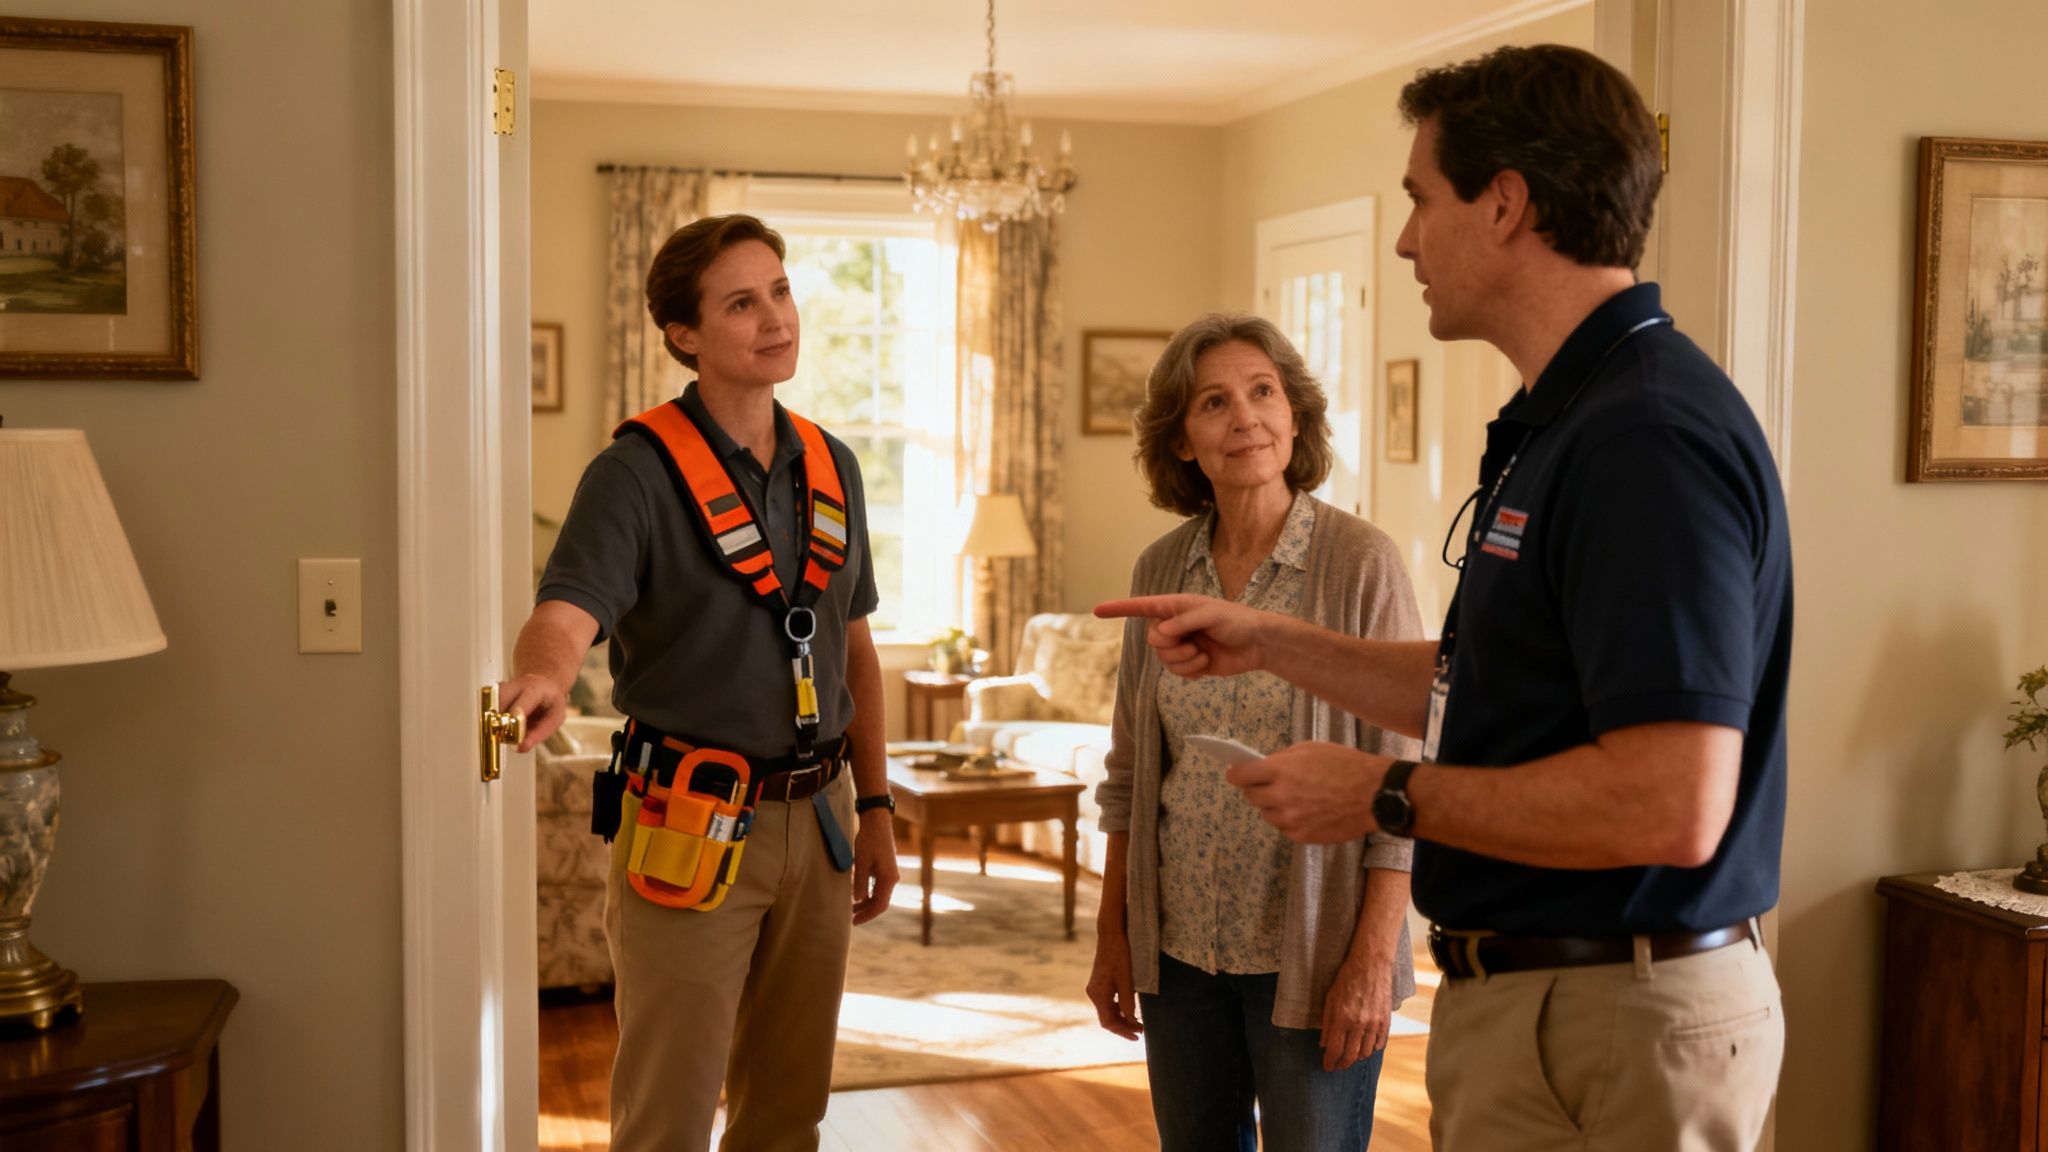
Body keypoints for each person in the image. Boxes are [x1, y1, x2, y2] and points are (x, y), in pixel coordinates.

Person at [1100, 45, 1792, 1152]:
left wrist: (1382, 793)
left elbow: (1671, 801)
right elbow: (1480, 682)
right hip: (1545, 1004)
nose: (1405, 238)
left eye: (1422, 200)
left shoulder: (1641, 439)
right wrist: (1269, 640)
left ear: (1505, 204)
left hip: (1612, 1011)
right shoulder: (1565, 423)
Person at [498, 213, 899, 1152]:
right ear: (685, 334)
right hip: (690, 817)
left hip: (823, 811)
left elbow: (856, 649)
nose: (776, 317)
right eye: (741, 302)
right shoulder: (633, 474)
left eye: (782, 291)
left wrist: (875, 804)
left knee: (788, 1111)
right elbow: (565, 612)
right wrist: (540, 676)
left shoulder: (833, 467)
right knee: (669, 1114)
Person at [1085, 313, 1422, 1152]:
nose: (1246, 419)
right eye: (1214, 402)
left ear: (1297, 416)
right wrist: (1114, 932)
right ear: (1183, 443)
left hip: (1315, 950)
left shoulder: (1360, 563)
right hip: (1183, 948)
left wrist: (1372, 959)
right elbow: (1129, 771)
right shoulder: (1160, 571)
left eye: (1263, 393)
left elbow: (1405, 780)